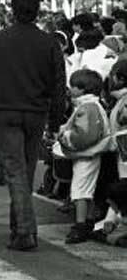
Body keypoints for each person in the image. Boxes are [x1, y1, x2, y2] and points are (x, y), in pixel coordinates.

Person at [0, 0, 66, 251]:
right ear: (37, 11)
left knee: (14, 171)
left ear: (12, 10)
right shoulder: (50, 42)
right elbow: (58, 85)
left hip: (6, 112)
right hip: (36, 113)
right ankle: (19, 229)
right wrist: (55, 121)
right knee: (25, 171)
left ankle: (24, 230)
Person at [53, 68, 110, 244]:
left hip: (85, 156)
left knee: (80, 191)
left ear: (82, 88)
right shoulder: (94, 105)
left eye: (73, 86)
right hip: (91, 155)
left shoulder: (87, 108)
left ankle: (80, 225)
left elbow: (84, 136)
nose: (70, 90)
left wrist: (64, 136)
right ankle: (89, 221)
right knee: (86, 189)